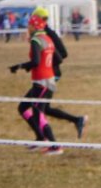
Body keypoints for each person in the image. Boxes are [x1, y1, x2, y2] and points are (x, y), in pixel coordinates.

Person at [8, 14, 63, 155]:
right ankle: (41, 138)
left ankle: (55, 146)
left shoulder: (36, 40)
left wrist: (19, 66)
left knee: (39, 114)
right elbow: (58, 58)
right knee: (23, 107)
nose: (28, 28)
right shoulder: (47, 39)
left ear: (34, 26)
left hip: (42, 82)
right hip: (47, 80)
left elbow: (36, 62)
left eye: (29, 26)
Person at [31, 6, 88, 139]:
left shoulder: (48, 34)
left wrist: (47, 60)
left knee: (35, 107)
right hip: (46, 75)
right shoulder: (40, 33)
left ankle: (48, 142)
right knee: (43, 108)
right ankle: (76, 120)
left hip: (50, 74)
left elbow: (63, 54)